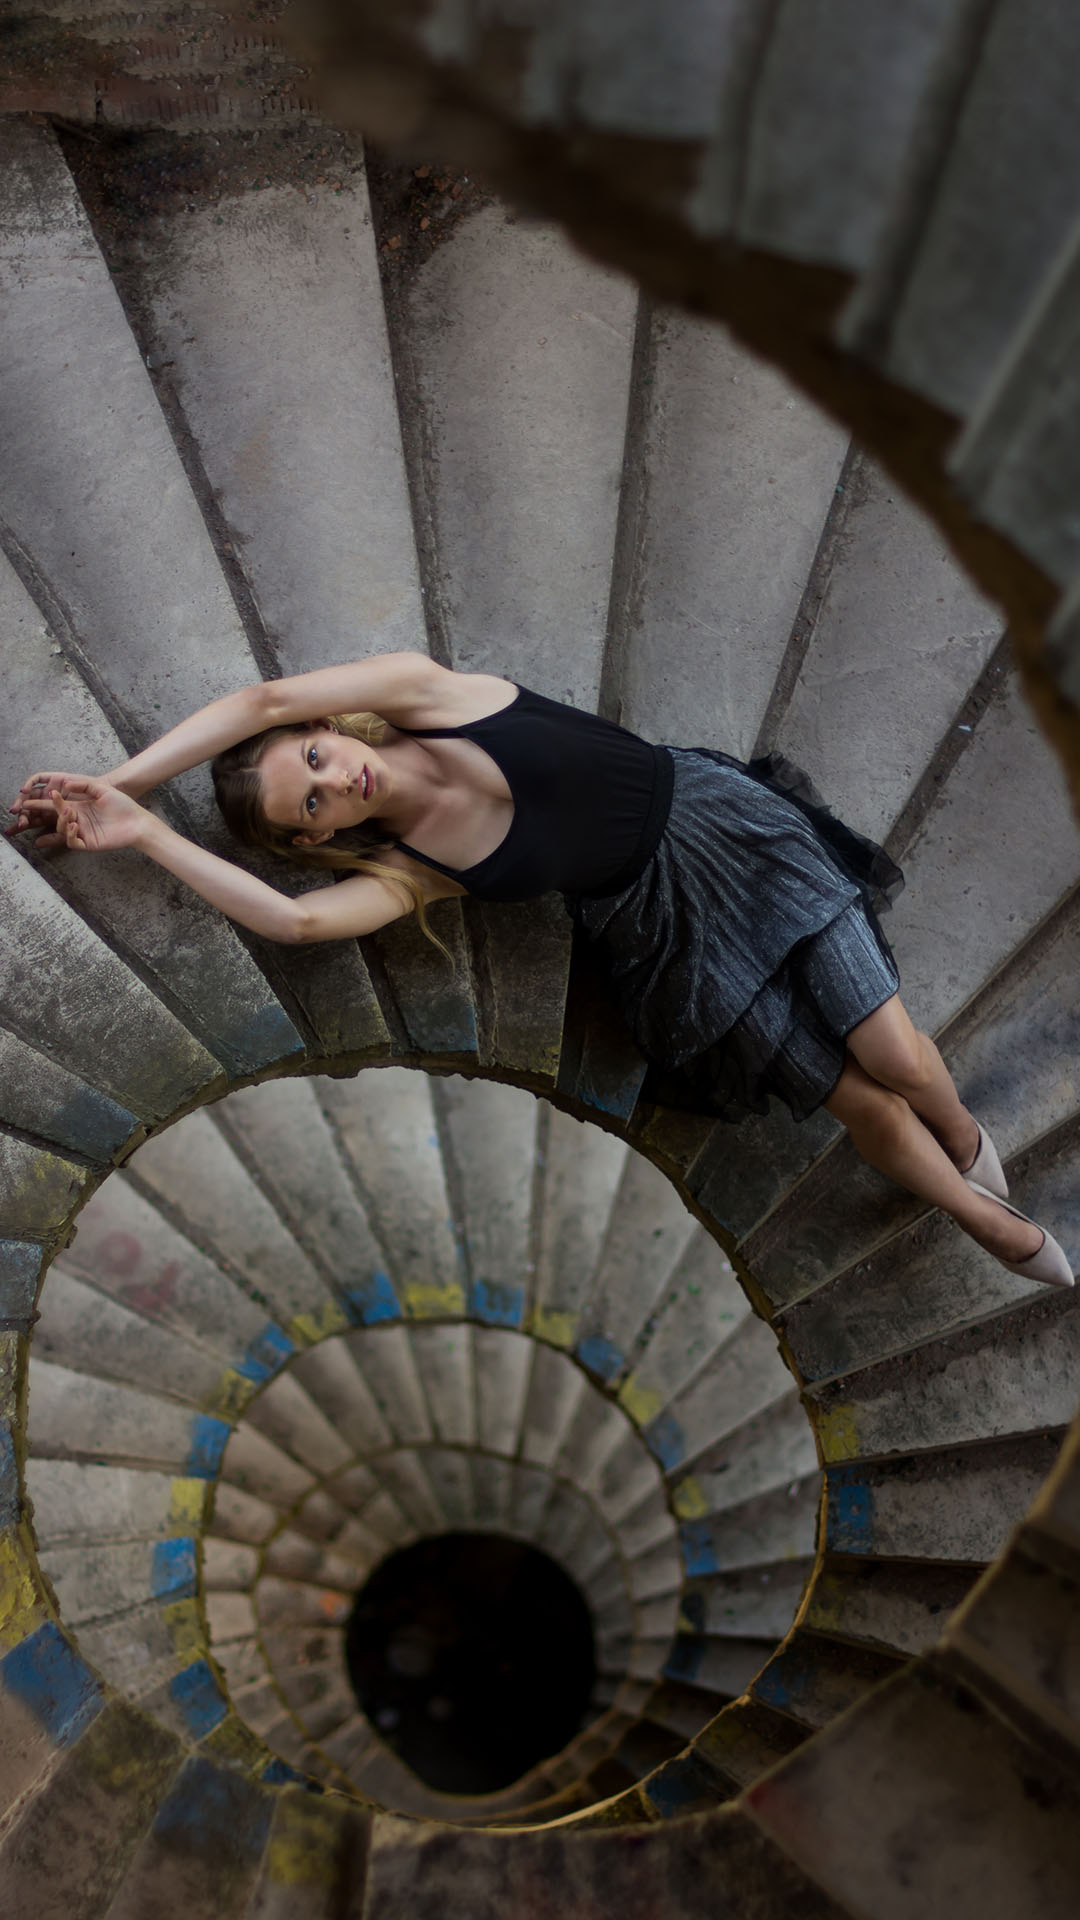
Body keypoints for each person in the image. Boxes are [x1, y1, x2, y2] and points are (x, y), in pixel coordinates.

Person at [9, 651, 1072, 1288]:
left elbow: (259, 699)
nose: (335, 781)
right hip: (670, 931)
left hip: (723, 830)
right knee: (857, 1099)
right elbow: (294, 925)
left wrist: (117, 784)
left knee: (896, 1053)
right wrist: (147, 837)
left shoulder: (430, 693)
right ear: (317, 834)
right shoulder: (415, 870)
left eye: (317, 759)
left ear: (324, 729)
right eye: (314, 804)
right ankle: (978, 1214)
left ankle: (963, 1135)